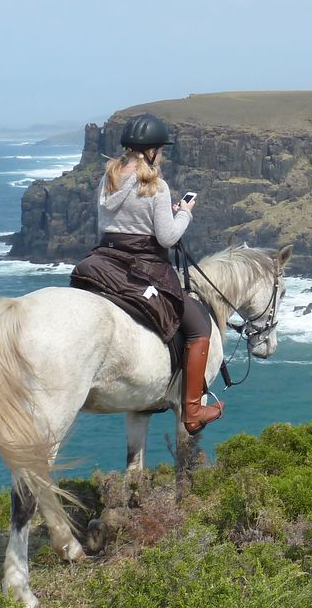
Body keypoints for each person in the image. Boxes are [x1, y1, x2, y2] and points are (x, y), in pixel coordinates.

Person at [75, 112, 224, 432]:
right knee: (199, 326)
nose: (163, 154)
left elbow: (113, 224)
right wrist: (183, 214)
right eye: (161, 149)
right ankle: (194, 409)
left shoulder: (107, 180)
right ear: (152, 151)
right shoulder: (156, 186)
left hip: (102, 263)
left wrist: (159, 217)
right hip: (142, 268)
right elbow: (168, 238)